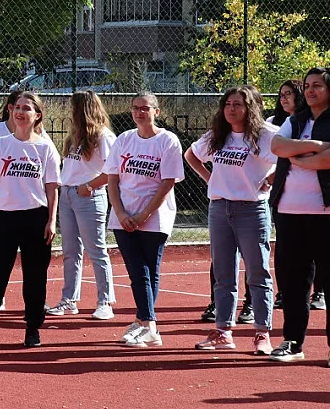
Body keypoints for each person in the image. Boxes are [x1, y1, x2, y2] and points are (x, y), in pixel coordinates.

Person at [0, 91, 60, 350]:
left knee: (35, 275)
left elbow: (52, 187)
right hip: (4, 218)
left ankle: (32, 329)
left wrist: (51, 221)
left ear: (37, 115)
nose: (20, 112)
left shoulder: (45, 147)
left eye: (27, 108)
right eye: (17, 107)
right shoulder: (0, 144)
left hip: (35, 217)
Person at [184, 86, 277, 354]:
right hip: (220, 208)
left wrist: (271, 178)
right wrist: (210, 179)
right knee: (224, 274)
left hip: (251, 209)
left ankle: (262, 332)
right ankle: (223, 332)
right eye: (227, 104)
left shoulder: (266, 136)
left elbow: (289, 157)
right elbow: (191, 155)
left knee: (257, 273)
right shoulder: (218, 135)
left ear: (251, 108)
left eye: (238, 104)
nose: (231, 109)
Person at [105, 92, 185, 349]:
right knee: (137, 270)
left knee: (149, 270)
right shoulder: (124, 139)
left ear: (156, 112)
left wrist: (144, 214)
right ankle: (146, 323)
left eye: (145, 108)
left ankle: (146, 323)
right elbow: (112, 179)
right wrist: (120, 213)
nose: (140, 112)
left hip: (154, 216)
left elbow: (167, 182)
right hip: (124, 217)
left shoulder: (168, 140)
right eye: (135, 108)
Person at [268, 67, 330, 362]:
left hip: (325, 214)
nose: (310, 90)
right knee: (292, 282)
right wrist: (314, 147)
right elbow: (277, 146)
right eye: (307, 85)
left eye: (317, 85)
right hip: (288, 212)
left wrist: (299, 157)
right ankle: (292, 342)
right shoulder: (296, 120)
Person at [47, 91, 117, 320]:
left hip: (88, 196)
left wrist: (88, 186)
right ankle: (69, 300)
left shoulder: (104, 136)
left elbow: (113, 170)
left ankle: (105, 301)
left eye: (74, 107)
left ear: (84, 109)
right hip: (68, 194)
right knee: (70, 251)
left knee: (96, 250)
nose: (70, 112)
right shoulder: (74, 136)